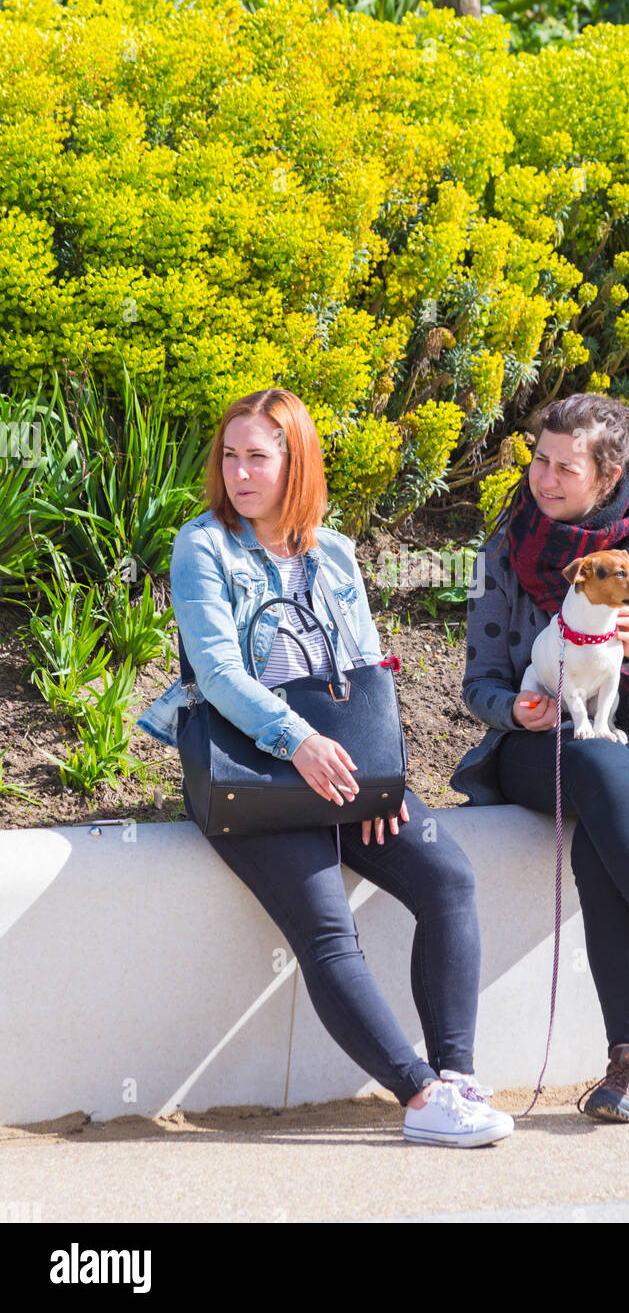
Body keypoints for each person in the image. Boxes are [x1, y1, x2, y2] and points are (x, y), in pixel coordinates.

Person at [137, 388, 513, 1148]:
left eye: (259, 457)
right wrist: (298, 741)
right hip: (256, 773)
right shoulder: (202, 545)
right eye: (231, 455)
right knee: (327, 927)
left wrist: (378, 778)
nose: (240, 472)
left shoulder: (333, 552)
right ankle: (419, 1098)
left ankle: (456, 1076)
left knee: (448, 879)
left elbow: (367, 663)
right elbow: (214, 673)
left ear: (296, 463)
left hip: (339, 767)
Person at [450, 392, 629, 1123]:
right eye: (538, 461)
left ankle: (628, 1064)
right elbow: (479, 683)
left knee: (606, 822)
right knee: (599, 767)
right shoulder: (505, 549)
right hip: (537, 746)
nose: (542, 479)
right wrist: (512, 708)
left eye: (562, 467)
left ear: (609, 475)